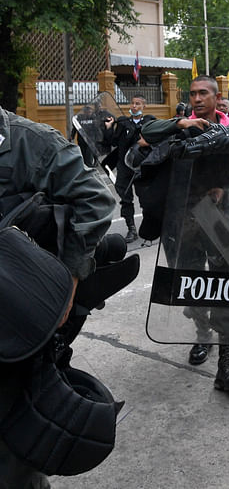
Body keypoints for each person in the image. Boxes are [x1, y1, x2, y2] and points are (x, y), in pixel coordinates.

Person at [0, 105, 115, 488]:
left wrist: (68, 280)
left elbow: (95, 200)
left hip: (12, 325)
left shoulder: (28, 142)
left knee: (12, 461)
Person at [139, 75, 229, 390]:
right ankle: (203, 335)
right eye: (193, 93)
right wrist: (180, 126)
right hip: (181, 217)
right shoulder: (179, 127)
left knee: (228, 285)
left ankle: (227, 365)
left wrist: (223, 189)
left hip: (216, 216)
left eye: (204, 93)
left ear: (217, 97)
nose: (198, 98)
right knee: (190, 284)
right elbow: (145, 138)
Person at [110, 94, 155, 242]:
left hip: (142, 166)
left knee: (146, 198)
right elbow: (114, 141)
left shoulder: (149, 122)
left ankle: (149, 228)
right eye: (132, 103)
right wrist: (109, 128)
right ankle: (131, 229)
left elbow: (157, 139)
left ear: (144, 106)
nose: (134, 106)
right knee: (125, 198)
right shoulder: (123, 123)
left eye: (138, 104)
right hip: (124, 166)